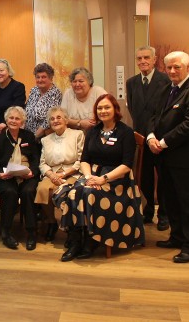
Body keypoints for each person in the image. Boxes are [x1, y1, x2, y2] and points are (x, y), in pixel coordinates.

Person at [58, 94, 144, 262]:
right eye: (99, 108)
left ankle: (92, 240)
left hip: (117, 179)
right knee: (72, 193)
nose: (103, 111)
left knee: (89, 193)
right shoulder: (93, 131)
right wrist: (89, 177)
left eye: (107, 107)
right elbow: (84, 160)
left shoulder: (125, 132)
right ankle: (75, 241)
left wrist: (103, 179)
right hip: (93, 175)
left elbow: (126, 165)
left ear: (115, 110)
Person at [147, 51, 189, 264]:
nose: (172, 71)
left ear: (188, 68)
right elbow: (154, 116)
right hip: (164, 158)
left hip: (185, 159)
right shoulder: (166, 89)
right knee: (170, 200)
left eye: (177, 67)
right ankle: (177, 237)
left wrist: (162, 143)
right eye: (169, 68)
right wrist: (150, 137)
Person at [126, 46, 171, 231]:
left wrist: (155, 135)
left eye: (146, 58)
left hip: (160, 140)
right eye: (139, 58)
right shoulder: (132, 82)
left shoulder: (166, 80)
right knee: (144, 178)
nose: (142, 61)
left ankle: (164, 215)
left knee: (163, 178)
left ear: (154, 60)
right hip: (140, 139)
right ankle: (147, 212)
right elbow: (132, 109)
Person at [0, 106, 40, 250]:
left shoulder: (29, 136)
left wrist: (33, 172)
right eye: (11, 118)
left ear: (22, 121)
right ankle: (6, 233)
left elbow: (36, 159)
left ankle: (31, 232)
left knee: (28, 192)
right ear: (6, 120)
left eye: (17, 118)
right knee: (10, 192)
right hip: (7, 175)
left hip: (27, 174)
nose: (13, 120)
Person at [37, 107, 84, 242]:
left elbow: (81, 160)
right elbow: (42, 163)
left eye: (59, 117)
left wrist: (64, 174)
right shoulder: (45, 140)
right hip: (53, 172)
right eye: (52, 119)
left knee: (67, 193)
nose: (55, 121)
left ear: (66, 120)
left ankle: (70, 227)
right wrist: (51, 175)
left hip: (73, 172)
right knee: (43, 189)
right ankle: (51, 223)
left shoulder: (77, 135)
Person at [61, 67, 107, 132]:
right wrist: (79, 123)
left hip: (98, 133)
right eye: (74, 81)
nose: (77, 84)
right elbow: (62, 118)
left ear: (89, 82)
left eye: (81, 81)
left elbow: (109, 114)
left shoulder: (98, 92)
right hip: (74, 136)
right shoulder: (68, 93)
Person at [24, 63, 62, 140]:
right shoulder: (34, 90)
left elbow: (50, 117)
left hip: (43, 137)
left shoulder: (55, 93)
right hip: (28, 134)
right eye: (37, 77)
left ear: (51, 78)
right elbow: (27, 109)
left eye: (43, 77)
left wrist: (35, 136)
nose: (40, 80)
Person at [0, 59, 26, 133]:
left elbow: (17, 110)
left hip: (9, 130)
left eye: (1, 70)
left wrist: (4, 123)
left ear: (8, 71)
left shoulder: (18, 87)